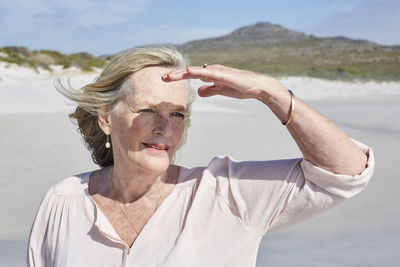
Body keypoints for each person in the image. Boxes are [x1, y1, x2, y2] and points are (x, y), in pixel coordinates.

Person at [27, 46, 374, 267]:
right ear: (106, 118)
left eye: (177, 113)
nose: (164, 126)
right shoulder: (63, 201)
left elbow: (346, 172)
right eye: (147, 109)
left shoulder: (224, 193)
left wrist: (272, 93)